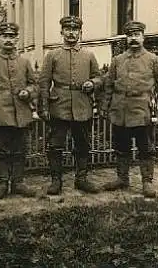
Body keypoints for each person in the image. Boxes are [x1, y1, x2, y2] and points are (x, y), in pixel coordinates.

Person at [100, 20, 158, 198]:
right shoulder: (117, 60)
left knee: (146, 148)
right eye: (130, 35)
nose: (133, 38)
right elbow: (109, 86)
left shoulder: (154, 60)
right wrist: (105, 107)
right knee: (121, 147)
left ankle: (147, 182)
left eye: (137, 35)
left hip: (143, 113)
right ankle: (122, 179)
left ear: (143, 37)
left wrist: (152, 98)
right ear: (126, 38)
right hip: (120, 112)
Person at [38, 15, 102, 195]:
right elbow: (44, 82)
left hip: (82, 105)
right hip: (59, 106)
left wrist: (93, 83)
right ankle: (56, 180)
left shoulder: (88, 55)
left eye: (75, 30)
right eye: (68, 29)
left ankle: (81, 179)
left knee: (82, 144)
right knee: (55, 144)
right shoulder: (52, 55)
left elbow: (98, 77)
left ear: (80, 32)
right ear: (62, 32)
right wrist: (43, 106)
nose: (71, 33)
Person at [0, 22, 37, 199]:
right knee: (2, 150)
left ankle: (18, 183)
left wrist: (29, 92)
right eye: (5, 36)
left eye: (12, 37)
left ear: (17, 39)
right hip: (0, 113)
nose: (8, 40)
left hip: (22, 113)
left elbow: (34, 85)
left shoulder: (24, 61)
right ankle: (3, 183)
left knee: (20, 149)